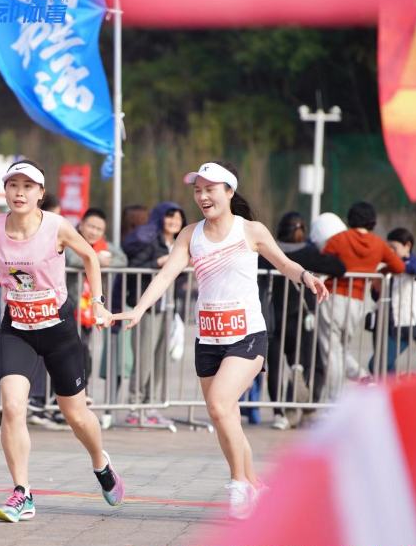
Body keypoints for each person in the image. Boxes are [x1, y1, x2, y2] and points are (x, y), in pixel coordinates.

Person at [113, 161, 329, 519]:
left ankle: (239, 483)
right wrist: (138, 310)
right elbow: (166, 276)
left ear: (229, 191)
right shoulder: (190, 234)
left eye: (210, 189)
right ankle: (256, 484)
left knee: (218, 405)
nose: (202, 196)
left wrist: (306, 276)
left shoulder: (251, 230)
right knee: (227, 416)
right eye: (197, 190)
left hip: (247, 335)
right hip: (209, 337)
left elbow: (284, 264)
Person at [0, 159, 124, 522]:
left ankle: (100, 463)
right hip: (17, 328)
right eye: (13, 185)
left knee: (76, 416)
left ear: (40, 193)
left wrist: (98, 303)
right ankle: (22, 492)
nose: (19, 193)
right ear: (5, 190)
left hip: (58, 329)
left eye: (28, 186)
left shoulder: (56, 226)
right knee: (12, 406)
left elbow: (90, 257)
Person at [258, 212, 345, 431]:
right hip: (301, 319)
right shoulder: (308, 253)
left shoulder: (269, 252)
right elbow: (339, 267)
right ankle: (302, 407)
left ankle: (279, 412)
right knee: (308, 364)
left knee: (275, 367)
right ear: (301, 230)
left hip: (273, 317)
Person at [318, 202, 405, 397]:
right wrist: (378, 273)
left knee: (332, 351)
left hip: (333, 296)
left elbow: (322, 262)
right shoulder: (378, 244)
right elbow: (399, 266)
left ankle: (335, 399)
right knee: (342, 349)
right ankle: (362, 378)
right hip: (357, 301)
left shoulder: (339, 239)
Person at [121, 201, 188, 427]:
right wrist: (156, 262)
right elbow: (133, 267)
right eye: (170, 216)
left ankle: (149, 406)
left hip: (168, 310)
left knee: (160, 360)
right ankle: (135, 407)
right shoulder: (151, 242)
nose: (174, 221)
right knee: (144, 359)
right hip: (148, 310)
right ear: (160, 218)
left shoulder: (180, 245)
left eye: (178, 217)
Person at [65, 208, 127, 428]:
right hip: (68, 307)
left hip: (89, 311)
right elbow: (71, 258)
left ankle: (82, 393)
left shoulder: (105, 247)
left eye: (99, 229)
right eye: (91, 226)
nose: (94, 232)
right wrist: (93, 258)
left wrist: (99, 260)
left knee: (84, 352)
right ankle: (69, 397)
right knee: (71, 353)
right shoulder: (69, 238)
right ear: (81, 224)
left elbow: (122, 259)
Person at [366, 228, 416, 375]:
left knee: (377, 364)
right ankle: (392, 389)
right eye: (388, 248)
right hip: (385, 322)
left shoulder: (415, 264)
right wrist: (376, 287)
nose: (390, 251)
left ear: (407, 246)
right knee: (386, 366)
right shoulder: (386, 266)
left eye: (394, 247)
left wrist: (395, 267)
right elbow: (377, 296)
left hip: (405, 325)